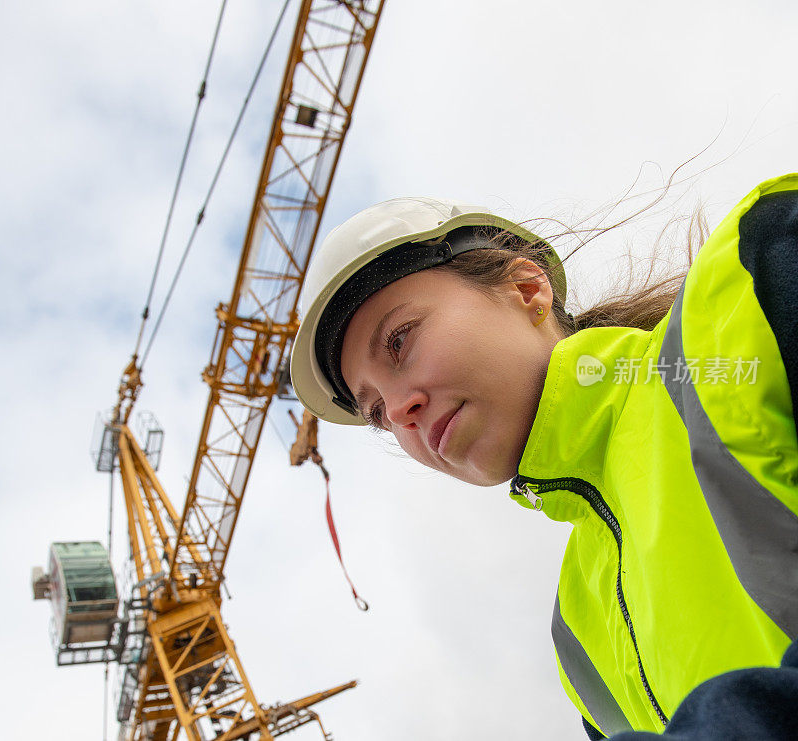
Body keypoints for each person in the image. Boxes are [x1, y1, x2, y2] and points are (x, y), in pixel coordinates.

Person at [290, 175, 798, 737]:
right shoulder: (576, 639)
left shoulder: (749, 295)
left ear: (527, 290)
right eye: (376, 411)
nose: (400, 411)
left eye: (400, 340)